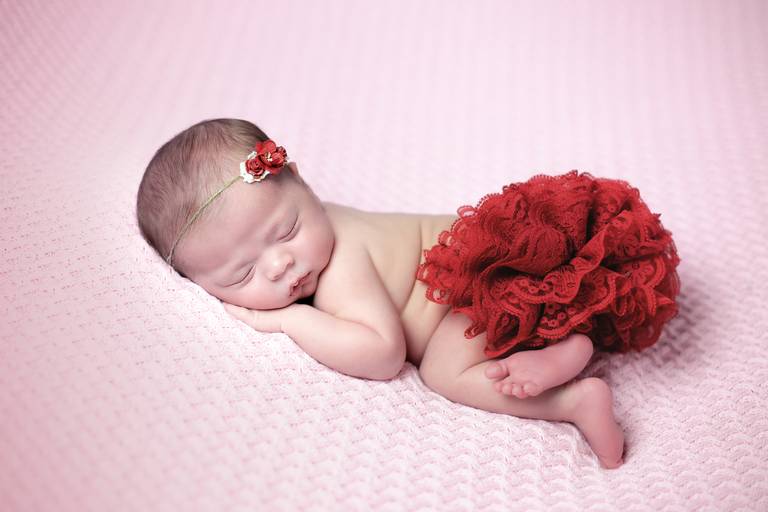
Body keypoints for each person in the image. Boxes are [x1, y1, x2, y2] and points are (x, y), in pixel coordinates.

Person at [136, 118, 681, 469]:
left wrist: (288, 320)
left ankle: (572, 400)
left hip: (481, 288)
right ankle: (566, 343)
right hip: (516, 279)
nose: (281, 265)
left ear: (302, 181)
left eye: (287, 230)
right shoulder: (320, 225)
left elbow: (382, 354)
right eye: (242, 275)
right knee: (508, 318)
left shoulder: (341, 263)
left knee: (443, 370)